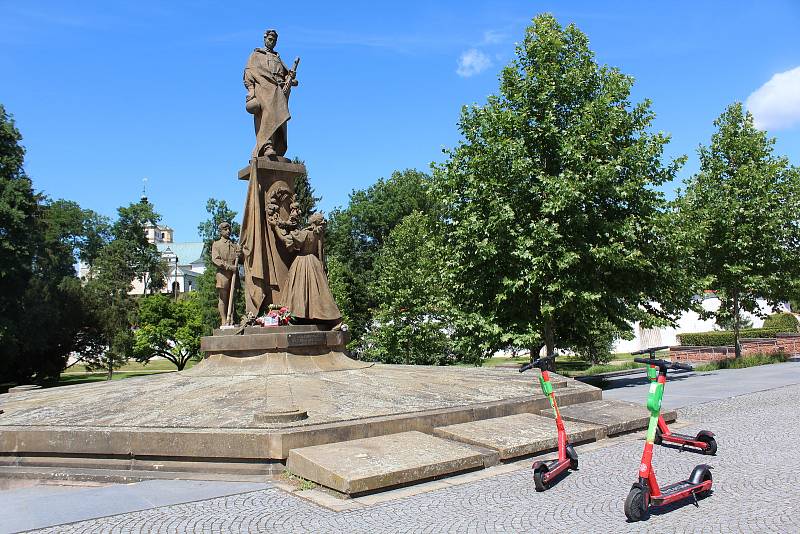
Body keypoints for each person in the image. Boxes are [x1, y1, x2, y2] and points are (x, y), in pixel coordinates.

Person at [275, 212, 341, 324]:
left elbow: (288, 241)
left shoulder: (305, 233)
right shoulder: (318, 234)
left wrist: (276, 228)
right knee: (317, 291)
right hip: (315, 263)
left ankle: (299, 316)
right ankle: (316, 316)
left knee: (299, 290)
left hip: (302, 262)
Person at [243, 29, 298, 159]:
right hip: (264, 90)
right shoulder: (256, 55)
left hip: (279, 92)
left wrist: (290, 79)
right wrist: (251, 90)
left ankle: (277, 145)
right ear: (265, 39)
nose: (271, 42)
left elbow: (286, 76)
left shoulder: (277, 58)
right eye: (270, 39)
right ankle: (267, 146)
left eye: (274, 40)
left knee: (279, 120)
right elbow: (248, 74)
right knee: (267, 115)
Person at [211, 222, 242, 325]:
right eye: (225, 229)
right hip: (223, 274)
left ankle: (231, 319)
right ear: (220, 231)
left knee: (232, 297)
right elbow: (216, 260)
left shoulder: (234, 245)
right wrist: (229, 267)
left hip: (233, 275)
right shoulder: (216, 244)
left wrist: (240, 254)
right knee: (223, 298)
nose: (228, 231)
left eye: (229, 229)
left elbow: (240, 260)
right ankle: (224, 320)